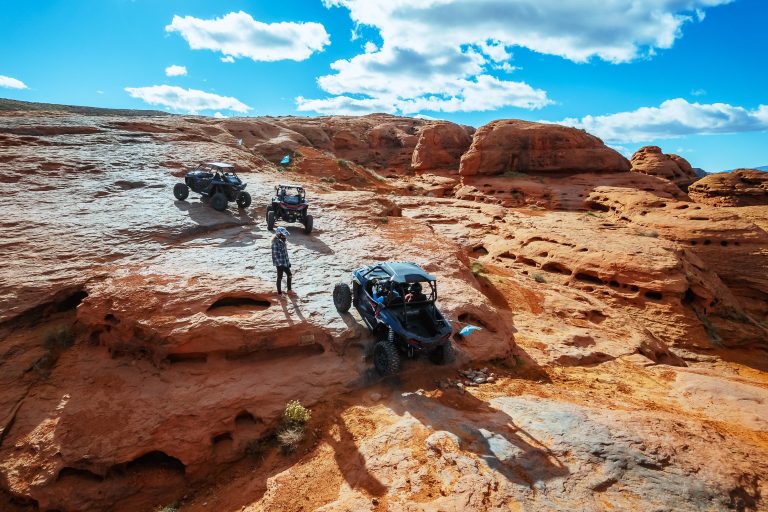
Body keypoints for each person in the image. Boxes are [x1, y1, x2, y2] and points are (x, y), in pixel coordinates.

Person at [271, 227, 292, 295]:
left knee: (289, 275)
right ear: (279, 234)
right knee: (280, 277)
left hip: (285, 263)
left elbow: (285, 254)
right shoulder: (275, 243)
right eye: (284, 235)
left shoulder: (283, 241)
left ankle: (289, 290)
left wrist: (288, 262)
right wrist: (280, 265)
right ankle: (279, 293)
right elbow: (275, 255)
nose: (285, 236)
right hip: (280, 264)